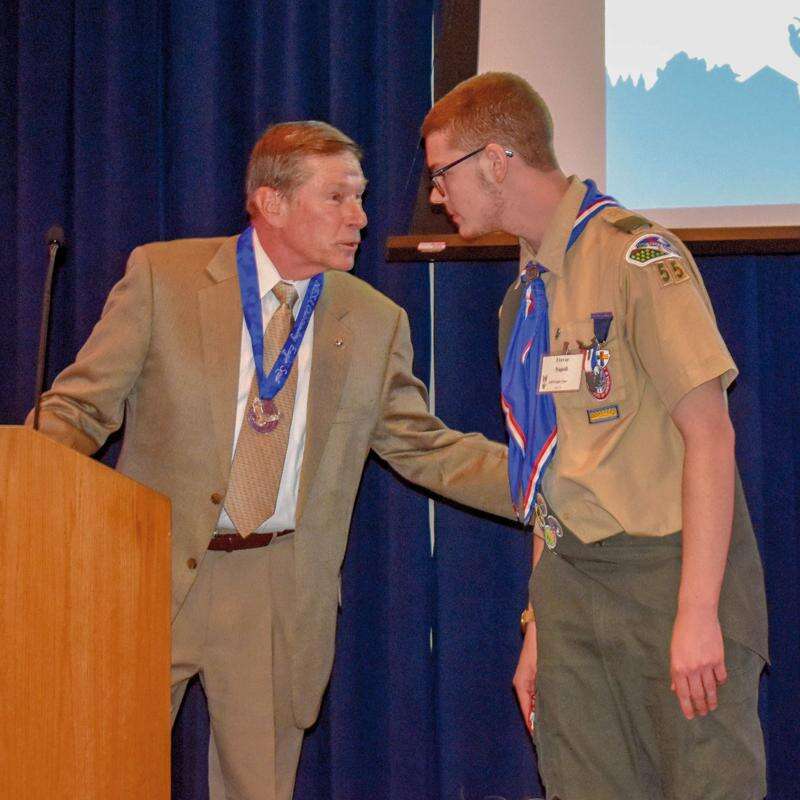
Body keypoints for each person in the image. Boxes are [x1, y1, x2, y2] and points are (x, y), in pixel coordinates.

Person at [30, 120, 513, 800]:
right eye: (339, 198)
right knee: (103, 777)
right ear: (272, 202)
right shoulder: (163, 279)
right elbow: (80, 411)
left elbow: (426, 448)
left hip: (275, 588)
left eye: (362, 197)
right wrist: (18, 479)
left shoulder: (374, 321)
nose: (363, 218)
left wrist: (549, 482)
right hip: (148, 574)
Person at [422, 72, 769, 800]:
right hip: (572, 589)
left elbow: (710, 436)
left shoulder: (638, 256)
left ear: (494, 159)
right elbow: (551, 469)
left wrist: (699, 614)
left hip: (669, 576)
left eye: (441, 172)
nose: (434, 194)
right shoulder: (523, 301)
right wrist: (540, 624)